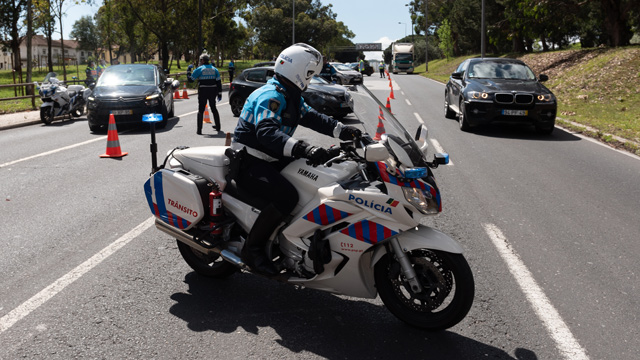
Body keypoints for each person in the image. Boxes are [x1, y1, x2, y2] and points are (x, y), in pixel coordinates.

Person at [231, 43, 361, 275]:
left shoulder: (289, 94)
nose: (311, 79)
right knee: (287, 196)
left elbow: (314, 118)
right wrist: (305, 149)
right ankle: (253, 250)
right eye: (310, 73)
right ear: (299, 70)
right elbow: (267, 133)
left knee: (314, 182)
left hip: (271, 157)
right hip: (251, 160)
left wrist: (345, 131)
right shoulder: (270, 95)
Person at [190, 52, 222, 135]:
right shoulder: (214, 69)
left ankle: (199, 130)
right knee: (213, 108)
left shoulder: (200, 69)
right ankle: (218, 126)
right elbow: (218, 82)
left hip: (203, 91)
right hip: (213, 91)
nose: (200, 61)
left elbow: (191, 79)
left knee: (201, 110)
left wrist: (188, 70)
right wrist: (220, 93)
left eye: (200, 60)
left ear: (203, 60)